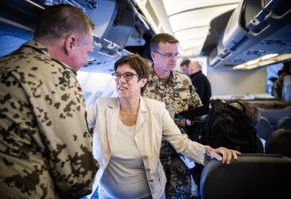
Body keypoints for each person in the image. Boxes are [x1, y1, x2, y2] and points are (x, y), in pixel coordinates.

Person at [87, 54, 240, 199]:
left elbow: (182, 144)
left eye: (128, 75)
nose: (121, 80)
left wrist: (210, 151)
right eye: (117, 75)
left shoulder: (156, 110)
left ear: (143, 81)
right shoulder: (101, 106)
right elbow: (75, 123)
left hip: (149, 195)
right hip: (108, 195)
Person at [0, 4, 97, 199]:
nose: (85, 61)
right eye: (88, 53)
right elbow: (79, 180)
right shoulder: (59, 78)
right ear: (70, 43)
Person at [143, 33, 203, 199]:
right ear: (154, 55)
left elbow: (197, 110)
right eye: (168, 54)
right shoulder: (140, 80)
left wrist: (197, 116)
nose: (173, 60)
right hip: (149, 158)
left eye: (175, 55)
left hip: (180, 156)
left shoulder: (184, 81)